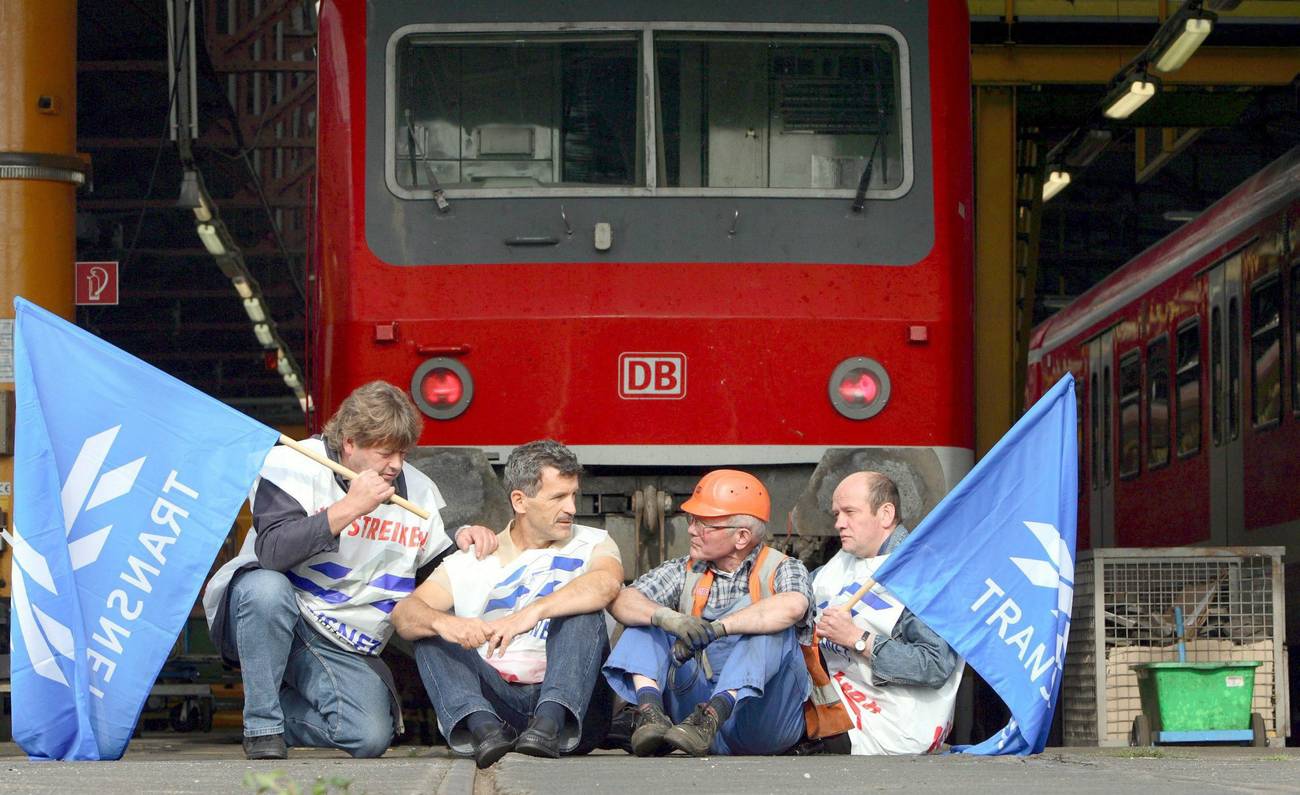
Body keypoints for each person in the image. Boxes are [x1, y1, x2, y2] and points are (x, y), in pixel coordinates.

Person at [202, 381, 497, 760]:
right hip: (276, 614)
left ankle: (283, 707)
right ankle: (263, 725)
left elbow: (430, 576)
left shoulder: (417, 489)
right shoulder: (290, 463)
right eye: (385, 453)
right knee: (266, 588)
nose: (396, 465)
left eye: (403, 454)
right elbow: (273, 552)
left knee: (370, 736)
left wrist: (462, 539)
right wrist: (350, 507)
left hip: (345, 637)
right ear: (350, 443)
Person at [392, 440, 623, 769]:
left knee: (582, 612)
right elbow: (404, 614)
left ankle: (549, 723)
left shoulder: (592, 542)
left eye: (574, 495)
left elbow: (605, 584)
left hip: (577, 708)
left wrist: (528, 615)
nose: (571, 508)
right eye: (558, 497)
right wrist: (447, 623)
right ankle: (484, 729)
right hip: (501, 702)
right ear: (520, 500)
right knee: (427, 632)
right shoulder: (474, 558)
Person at [602, 469, 813, 756]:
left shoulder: (784, 568)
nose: (691, 529)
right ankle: (650, 713)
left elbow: (793, 606)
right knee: (645, 618)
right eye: (692, 520)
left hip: (761, 722)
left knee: (771, 626)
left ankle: (716, 712)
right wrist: (669, 619)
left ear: (741, 537)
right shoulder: (685, 569)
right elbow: (623, 601)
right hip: (690, 728)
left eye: (704, 524)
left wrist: (717, 629)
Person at [812, 471, 964, 754]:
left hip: (892, 730)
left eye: (849, 512)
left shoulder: (924, 574)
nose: (838, 523)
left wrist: (858, 639)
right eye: (836, 514)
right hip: (837, 710)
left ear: (885, 514)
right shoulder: (836, 566)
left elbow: (935, 665)